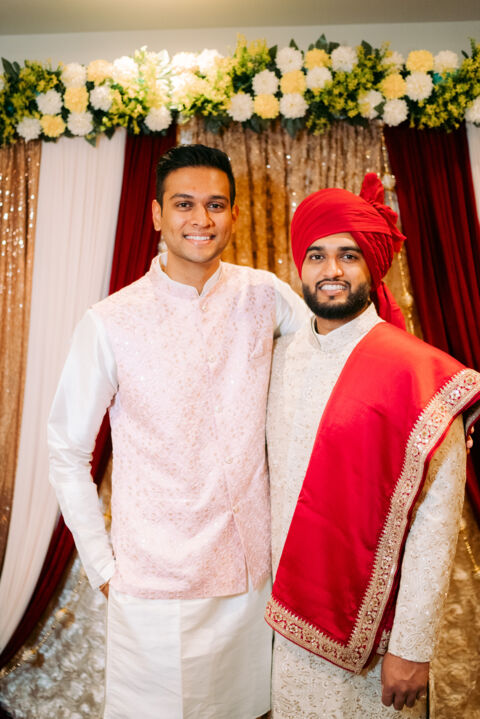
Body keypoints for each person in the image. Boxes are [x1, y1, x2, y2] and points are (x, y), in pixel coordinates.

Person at [48, 144, 309, 719]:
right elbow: (66, 452)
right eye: (184, 203)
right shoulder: (110, 321)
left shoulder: (264, 295)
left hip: (249, 580)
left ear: (234, 214)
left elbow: (338, 351)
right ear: (156, 214)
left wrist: (433, 396)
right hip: (155, 586)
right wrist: (104, 569)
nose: (201, 219)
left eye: (215, 204)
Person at [265, 173, 480, 718]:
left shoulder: (416, 374)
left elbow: (436, 523)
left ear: (373, 266)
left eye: (349, 255)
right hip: (286, 624)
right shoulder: (276, 359)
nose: (331, 271)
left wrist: (411, 647)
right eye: (316, 255)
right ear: (299, 265)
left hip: (377, 639)